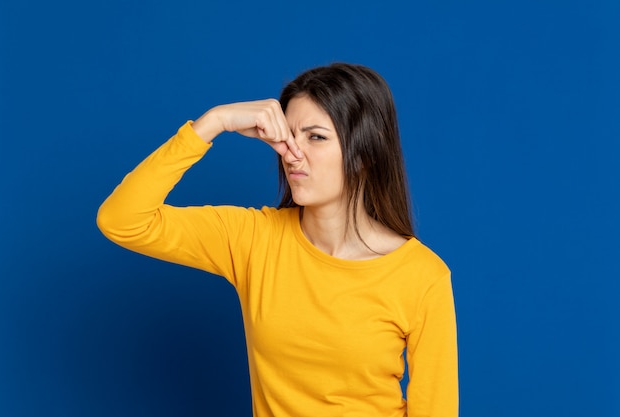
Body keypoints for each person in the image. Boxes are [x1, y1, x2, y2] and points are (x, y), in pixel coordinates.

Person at [97, 63, 458, 417]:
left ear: (364, 153)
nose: (291, 153)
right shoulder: (254, 239)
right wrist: (213, 123)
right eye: (288, 136)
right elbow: (122, 220)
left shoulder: (422, 276)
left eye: (315, 137)